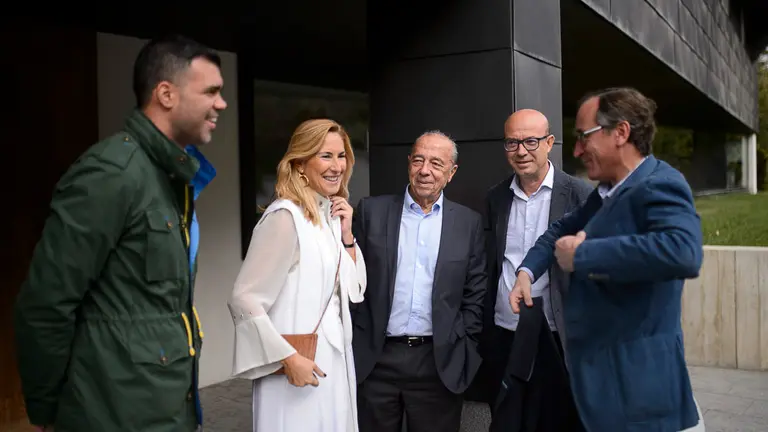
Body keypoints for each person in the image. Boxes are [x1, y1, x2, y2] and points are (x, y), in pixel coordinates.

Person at [13, 34, 226, 431]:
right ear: (166, 94)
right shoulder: (112, 174)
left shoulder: (171, 177)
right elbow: (46, 304)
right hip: (114, 417)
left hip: (164, 412)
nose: (221, 104)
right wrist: (47, 413)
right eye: (211, 91)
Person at [511, 87, 706, 431]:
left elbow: (682, 251)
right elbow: (559, 231)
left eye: (584, 137)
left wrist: (584, 255)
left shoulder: (661, 183)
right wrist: (527, 271)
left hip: (642, 396)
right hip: (606, 391)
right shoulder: (605, 192)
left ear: (621, 132)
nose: (576, 150)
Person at [227, 119, 367, 432]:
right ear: (300, 164)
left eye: (341, 156)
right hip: (296, 369)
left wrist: (346, 235)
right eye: (325, 156)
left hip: (333, 365)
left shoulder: (327, 215)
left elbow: (355, 290)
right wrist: (289, 360)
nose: (337, 166)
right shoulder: (284, 217)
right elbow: (243, 299)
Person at [352, 131, 487, 432]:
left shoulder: (468, 223)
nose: (425, 170)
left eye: (436, 163)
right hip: (376, 359)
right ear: (409, 164)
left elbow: (474, 292)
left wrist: (465, 344)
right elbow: (351, 282)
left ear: (451, 173)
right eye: (419, 160)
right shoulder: (372, 212)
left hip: (438, 363)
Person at [477, 109, 591, 431]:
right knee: (506, 420)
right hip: (504, 331)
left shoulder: (579, 195)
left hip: (555, 335)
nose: (522, 151)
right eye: (512, 143)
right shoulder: (496, 197)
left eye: (530, 141)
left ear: (549, 142)